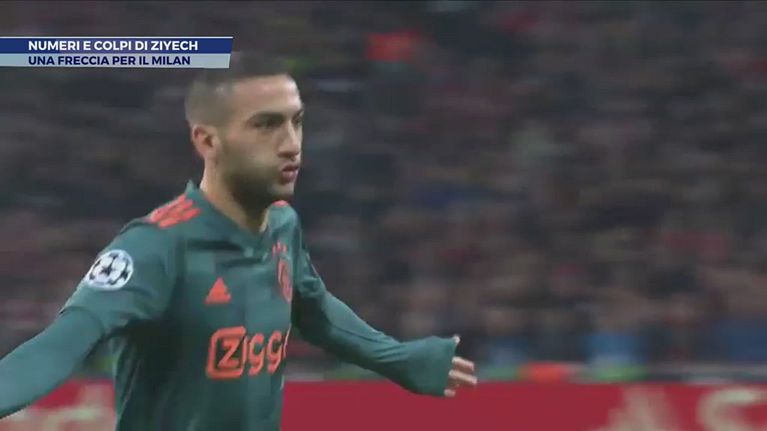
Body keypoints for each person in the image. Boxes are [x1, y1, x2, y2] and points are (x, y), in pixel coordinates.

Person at [0, 52, 477, 430]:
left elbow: (314, 310)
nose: (291, 143)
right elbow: (64, 342)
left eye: (296, 121)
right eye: (266, 125)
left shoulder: (283, 225)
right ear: (207, 141)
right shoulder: (154, 248)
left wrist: (400, 359)